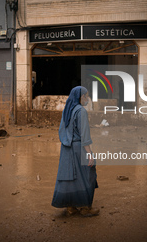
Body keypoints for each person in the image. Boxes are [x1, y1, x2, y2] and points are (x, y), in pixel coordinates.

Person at [51, 86, 99, 217]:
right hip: (79, 148)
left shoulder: (67, 110)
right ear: (80, 97)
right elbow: (85, 135)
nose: (87, 98)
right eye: (86, 96)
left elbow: (62, 131)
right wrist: (89, 153)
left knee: (69, 177)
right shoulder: (81, 111)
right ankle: (85, 207)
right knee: (88, 174)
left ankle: (71, 207)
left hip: (66, 149)